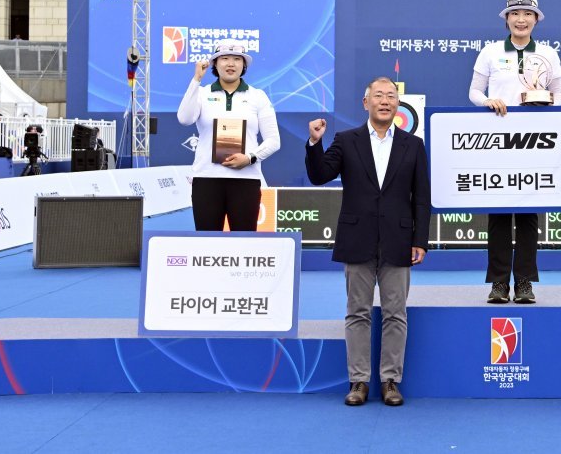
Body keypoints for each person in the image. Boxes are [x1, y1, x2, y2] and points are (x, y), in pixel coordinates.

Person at [305, 77, 431, 407]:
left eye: (391, 96)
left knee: (395, 313)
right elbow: (319, 176)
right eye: (379, 96)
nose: (385, 101)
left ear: (398, 104)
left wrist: (420, 239)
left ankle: (391, 381)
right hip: (357, 237)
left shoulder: (413, 145)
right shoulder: (346, 141)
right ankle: (358, 381)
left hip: (399, 239)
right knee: (357, 313)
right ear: (366, 103)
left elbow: (421, 197)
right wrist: (315, 143)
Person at [468, 0, 561, 304]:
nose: (521, 19)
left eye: (527, 14)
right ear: (506, 18)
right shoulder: (491, 52)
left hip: (534, 144)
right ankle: (498, 283)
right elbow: (474, 93)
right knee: (497, 215)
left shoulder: (549, 54)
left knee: (527, 216)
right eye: (515, 14)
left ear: (536, 19)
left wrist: (544, 101)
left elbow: (559, 100)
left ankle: (524, 282)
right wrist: (488, 101)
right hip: (497, 143)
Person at [176, 40, 279, 231]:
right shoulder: (202, 93)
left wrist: (249, 158)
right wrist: (196, 80)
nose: (231, 64)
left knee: (245, 243)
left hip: (246, 180)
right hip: (206, 179)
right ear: (215, 64)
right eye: (224, 58)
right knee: (207, 243)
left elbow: (274, 140)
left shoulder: (258, 96)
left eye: (237, 59)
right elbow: (184, 118)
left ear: (244, 65)